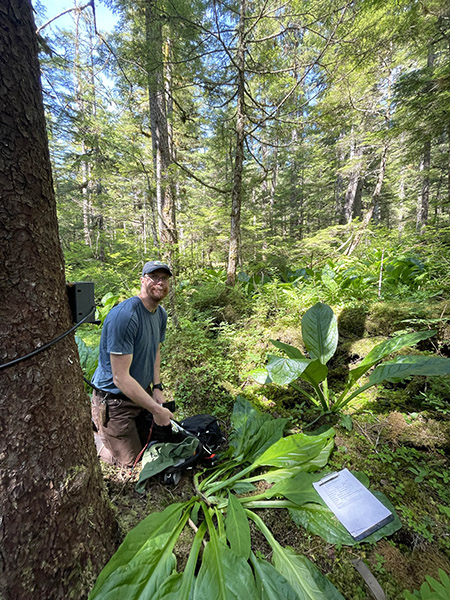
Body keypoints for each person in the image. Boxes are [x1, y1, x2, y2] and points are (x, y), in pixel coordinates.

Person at [91, 260, 174, 468]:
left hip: (139, 393)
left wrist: (157, 388)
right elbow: (120, 378)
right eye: (154, 277)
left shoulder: (160, 314)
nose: (160, 283)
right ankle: (92, 438)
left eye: (164, 279)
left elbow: (155, 349)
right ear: (142, 280)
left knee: (153, 445)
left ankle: (109, 431)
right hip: (114, 400)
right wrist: (156, 409)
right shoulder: (126, 316)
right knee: (132, 463)